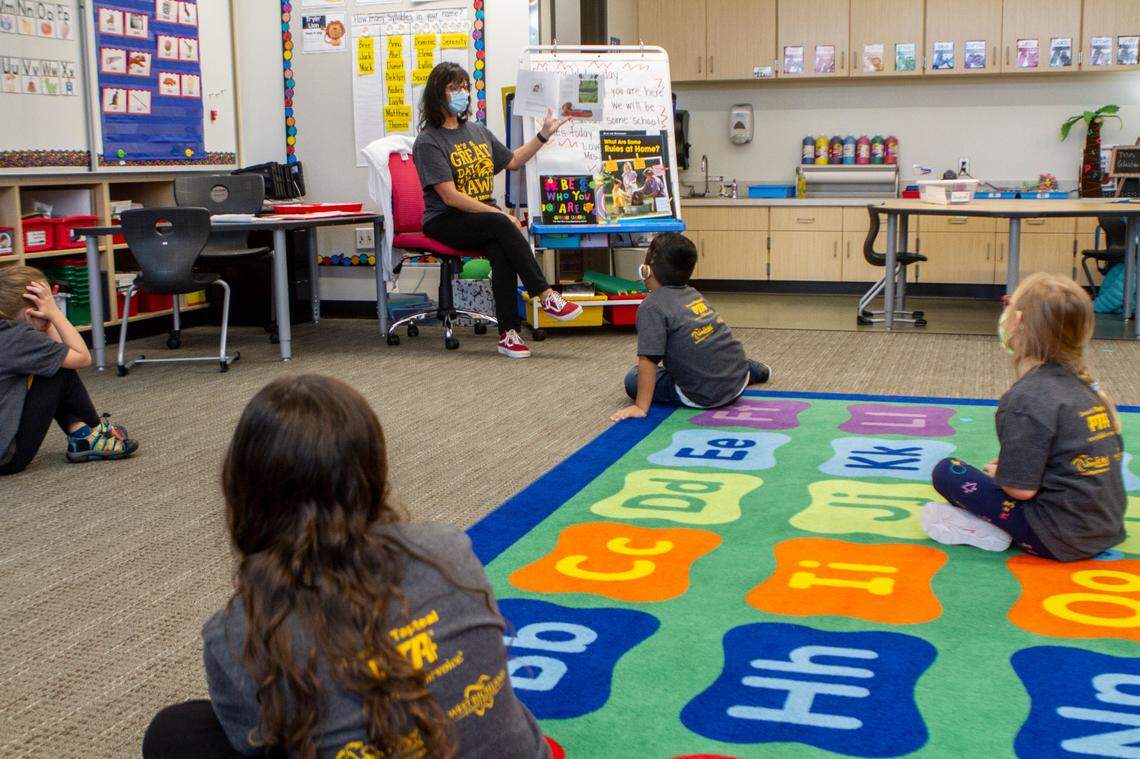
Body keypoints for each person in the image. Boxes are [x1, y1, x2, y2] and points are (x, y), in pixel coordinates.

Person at [142, 374, 550, 759]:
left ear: (245, 489)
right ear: (372, 469)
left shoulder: (238, 633)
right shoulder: (448, 548)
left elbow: (260, 741)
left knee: (176, 732)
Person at [921, 273, 1127, 560]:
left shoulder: (1025, 399)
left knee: (947, 471)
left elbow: (1020, 490)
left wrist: (1005, 475)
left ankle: (989, 529)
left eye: (1006, 304)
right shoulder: (1087, 390)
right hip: (1104, 529)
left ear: (1016, 322)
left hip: (1057, 537)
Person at [413, 62, 581, 360]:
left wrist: (543, 135)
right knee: (502, 225)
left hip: (482, 220)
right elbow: (450, 197)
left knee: (501, 247)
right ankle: (545, 295)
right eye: (454, 88)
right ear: (438, 94)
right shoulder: (428, 141)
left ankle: (508, 334)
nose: (462, 93)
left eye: (465, 87)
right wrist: (501, 215)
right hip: (444, 219)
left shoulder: (477, 131)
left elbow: (514, 161)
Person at [610, 233, 770, 421]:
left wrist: (640, 407)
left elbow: (648, 360)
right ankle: (756, 370)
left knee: (633, 378)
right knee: (714, 350)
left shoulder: (651, 307)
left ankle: (741, 371)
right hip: (737, 380)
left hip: (702, 395)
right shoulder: (692, 293)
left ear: (647, 269)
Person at [0, 266, 135, 476]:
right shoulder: (20, 338)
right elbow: (81, 357)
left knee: (53, 360)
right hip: (7, 459)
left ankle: (82, 433)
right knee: (58, 371)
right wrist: (54, 316)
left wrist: (45, 322)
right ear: (31, 312)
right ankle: (93, 432)